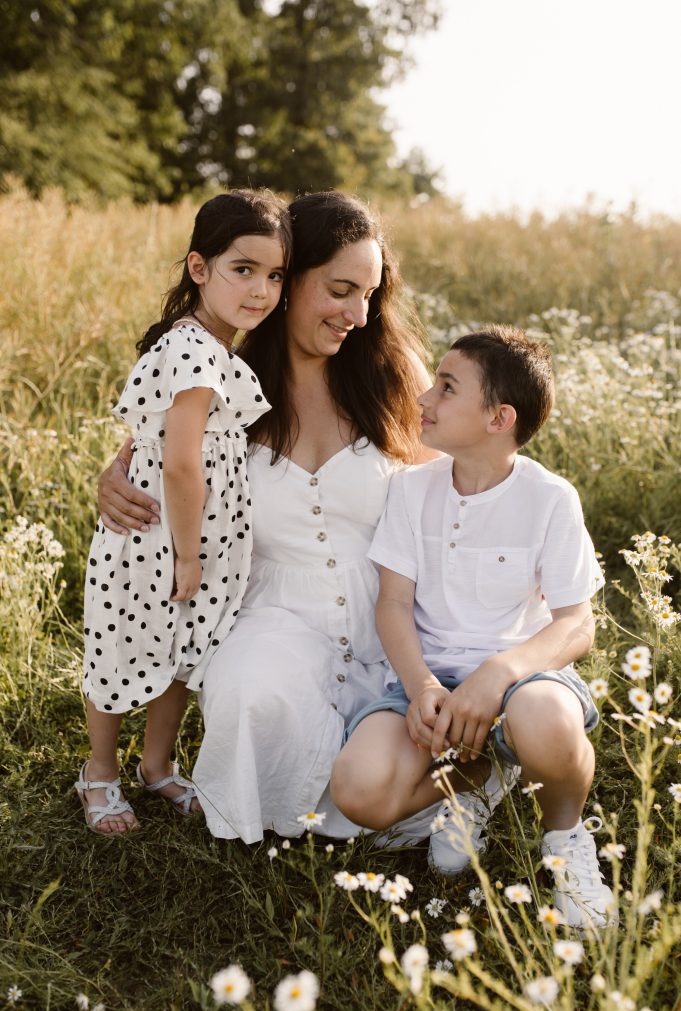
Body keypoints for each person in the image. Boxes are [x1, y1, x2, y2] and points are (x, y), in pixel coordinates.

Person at [97, 190, 435, 843]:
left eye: (368, 294)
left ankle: (448, 786)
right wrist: (110, 480)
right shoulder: (222, 375)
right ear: (285, 279)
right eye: (338, 290)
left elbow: (466, 480)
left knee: (392, 753)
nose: (357, 315)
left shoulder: (391, 374)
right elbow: (150, 457)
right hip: (274, 608)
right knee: (248, 692)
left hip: (389, 614)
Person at [331, 324, 616, 929]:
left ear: (498, 418)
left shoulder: (550, 498)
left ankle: (566, 841)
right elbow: (392, 604)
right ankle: (477, 777)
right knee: (359, 792)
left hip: (517, 684)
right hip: (425, 680)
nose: (424, 398)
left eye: (447, 387)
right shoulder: (411, 490)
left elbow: (577, 624)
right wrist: (423, 687)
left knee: (547, 719)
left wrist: (499, 673)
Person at [76, 190, 291, 834]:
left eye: (275, 275)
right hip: (162, 537)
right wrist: (190, 552)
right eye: (243, 269)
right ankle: (100, 771)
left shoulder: (216, 347)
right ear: (200, 268)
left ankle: (157, 764)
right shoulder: (195, 349)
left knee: (182, 649)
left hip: (195, 536)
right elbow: (178, 460)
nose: (260, 290)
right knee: (122, 646)